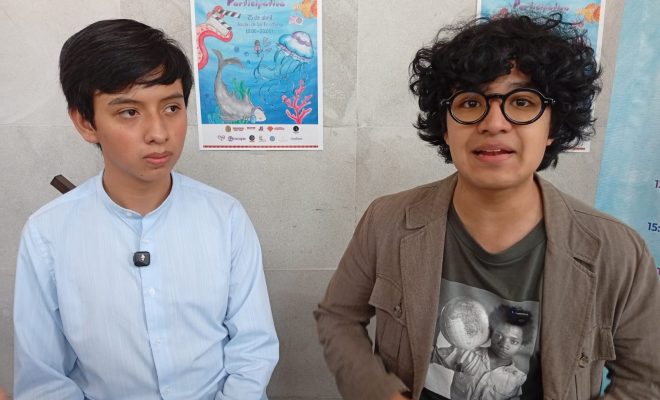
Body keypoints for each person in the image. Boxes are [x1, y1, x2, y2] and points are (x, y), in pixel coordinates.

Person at [315, 12, 660, 400]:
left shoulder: (617, 251)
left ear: (553, 125)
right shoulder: (387, 221)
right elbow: (338, 317)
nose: (494, 123)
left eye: (522, 102)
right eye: (470, 102)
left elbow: (644, 379)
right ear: (446, 126)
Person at [13, 19, 278, 399]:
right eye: (129, 112)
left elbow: (253, 349)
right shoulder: (47, 234)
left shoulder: (225, 217)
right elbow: (44, 378)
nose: (159, 133)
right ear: (86, 122)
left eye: (171, 107)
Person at [431, 304, 534, 400]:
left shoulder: (518, 380)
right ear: (491, 333)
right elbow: (430, 354)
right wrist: (437, 322)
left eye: (513, 341)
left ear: (522, 346)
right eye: (499, 335)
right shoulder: (466, 353)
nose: (503, 344)